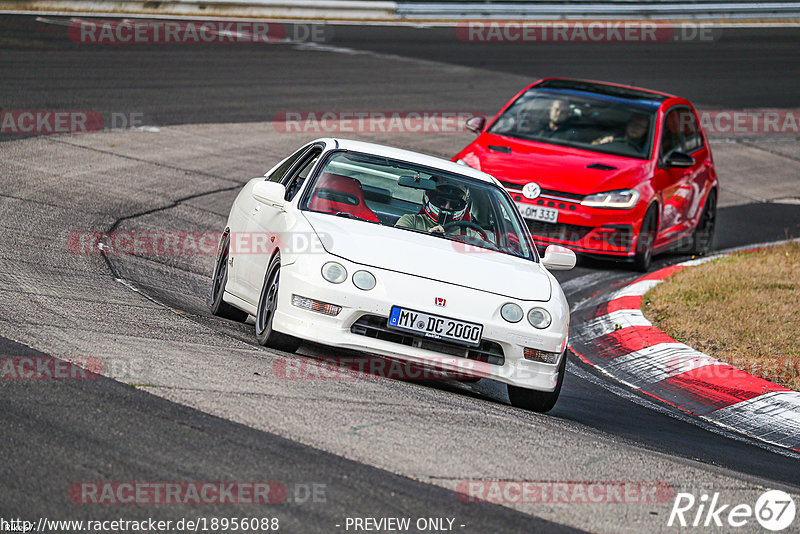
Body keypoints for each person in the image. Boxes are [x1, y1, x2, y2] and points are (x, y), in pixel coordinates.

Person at [395, 182, 474, 234]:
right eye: (441, 201)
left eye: (454, 204)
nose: (447, 207)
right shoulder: (411, 221)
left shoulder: (470, 235)